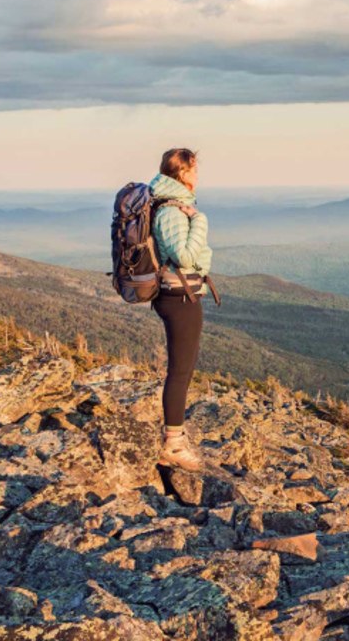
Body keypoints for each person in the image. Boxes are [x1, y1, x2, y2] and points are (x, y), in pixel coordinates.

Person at [149, 148, 213, 472]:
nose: (197, 176)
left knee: (182, 370)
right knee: (180, 372)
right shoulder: (173, 211)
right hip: (179, 296)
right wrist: (200, 221)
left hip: (178, 294)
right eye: (194, 170)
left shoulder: (171, 205)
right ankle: (173, 445)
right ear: (182, 173)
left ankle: (175, 438)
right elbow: (185, 256)